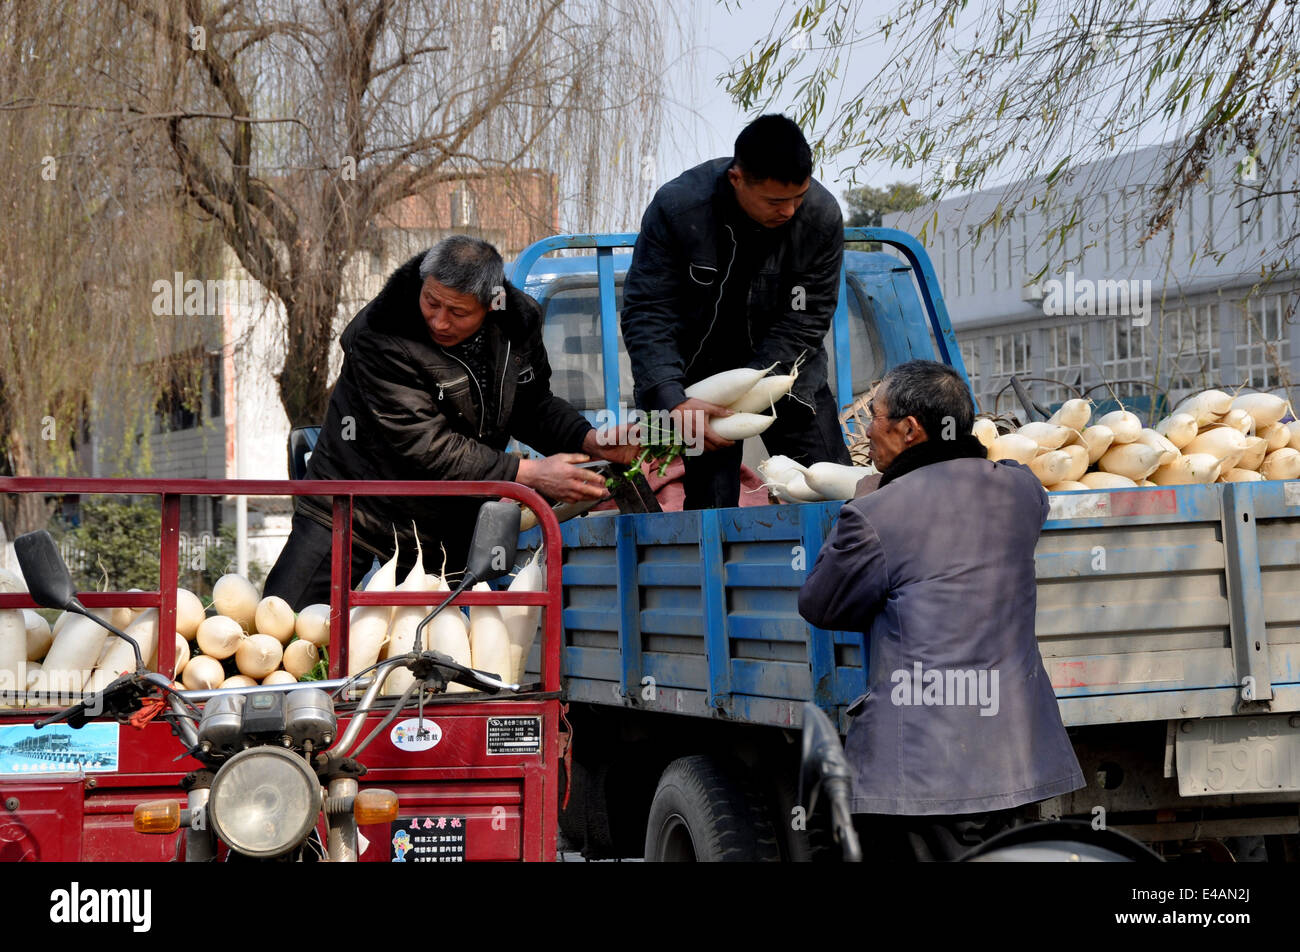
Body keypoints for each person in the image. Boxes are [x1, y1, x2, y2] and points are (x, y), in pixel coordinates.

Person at [797, 360, 1084, 861]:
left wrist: (870, 494)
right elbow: (1016, 478)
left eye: (876, 416)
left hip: (921, 772)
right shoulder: (1020, 491)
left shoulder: (875, 514)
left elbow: (821, 604)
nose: (867, 429)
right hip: (1013, 761)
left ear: (909, 430)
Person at [263, 235, 635, 610]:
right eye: (431, 302)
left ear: (491, 304)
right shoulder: (383, 332)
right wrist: (531, 473)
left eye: (457, 313)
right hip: (350, 510)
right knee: (283, 627)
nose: (440, 321)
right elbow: (427, 445)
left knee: (434, 654)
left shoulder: (518, 323)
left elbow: (531, 406)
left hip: (441, 524)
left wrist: (589, 439)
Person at [620, 114, 852, 510]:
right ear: (737, 179)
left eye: (799, 196)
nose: (790, 211)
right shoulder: (678, 209)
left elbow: (807, 317)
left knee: (835, 494)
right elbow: (648, 312)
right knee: (711, 513)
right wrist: (672, 399)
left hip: (787, 372)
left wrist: (758, 384)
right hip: (698, 384)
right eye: (776, 201)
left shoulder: (821, 217)